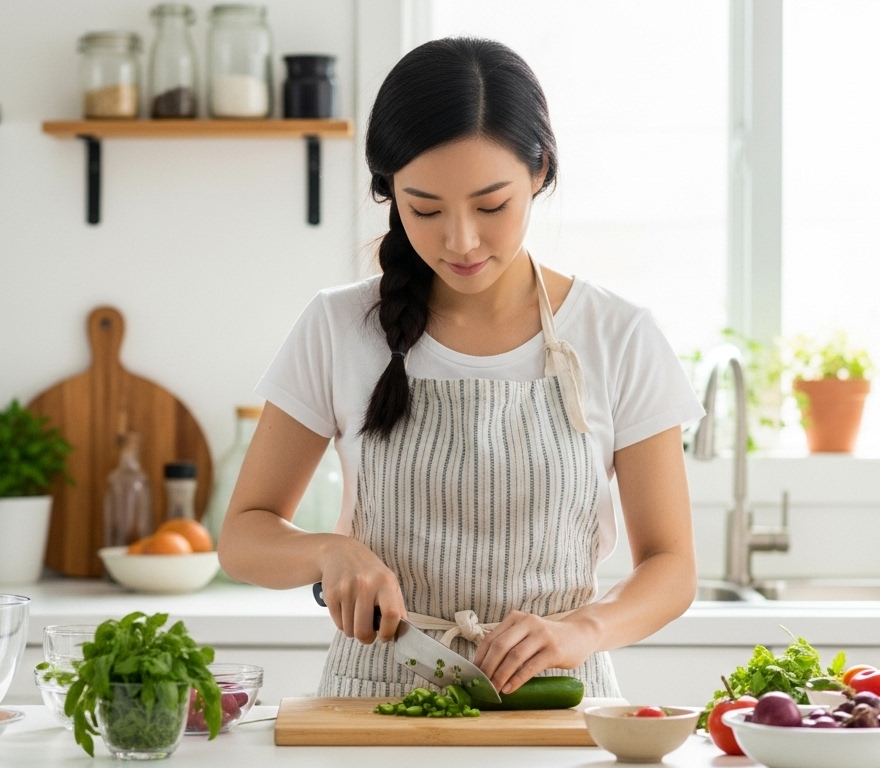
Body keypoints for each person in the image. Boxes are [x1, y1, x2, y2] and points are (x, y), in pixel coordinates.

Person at [218, 37, 703, 699]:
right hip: (374, 705)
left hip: (555, 705)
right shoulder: (337, 326)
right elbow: (243, 536)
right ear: (389, 191)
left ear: (540, 171)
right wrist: (327, 551)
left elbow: (671, 567)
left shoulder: (618, 335)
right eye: (424, 209)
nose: (461, 241)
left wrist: (584, 629)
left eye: (491, 205)